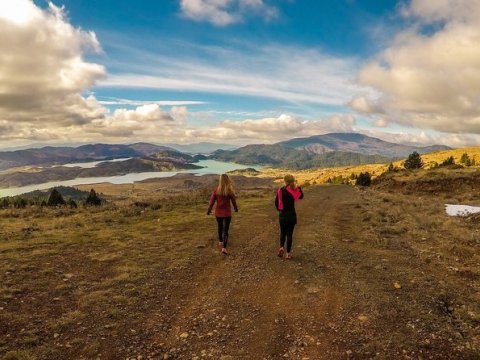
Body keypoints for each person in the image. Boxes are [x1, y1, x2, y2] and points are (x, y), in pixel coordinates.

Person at [207, 174, 238, 255]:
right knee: (225, 230)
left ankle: (220, 241)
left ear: (220, 180)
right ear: (227, 180)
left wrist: (208, 210)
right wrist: (235, 208)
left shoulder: (216, 190)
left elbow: (211, 202)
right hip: (227, 214)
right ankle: (224, 248)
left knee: (220, 227)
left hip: (218, 213)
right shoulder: (230, 191)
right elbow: (234, 201)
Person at [275, 174, 304, 260]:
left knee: (282, 233)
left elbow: (276, 203)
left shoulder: (280, 190)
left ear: (285, 181)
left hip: (282, 215)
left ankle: (281, 248)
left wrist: (280, 211)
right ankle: (288, 254)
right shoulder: (294, 190)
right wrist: (299, 188)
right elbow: (301, 196)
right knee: (289, 235)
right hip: (291, 216)